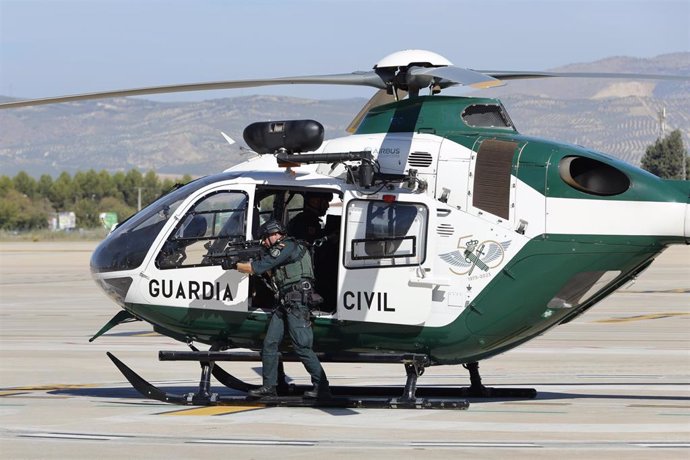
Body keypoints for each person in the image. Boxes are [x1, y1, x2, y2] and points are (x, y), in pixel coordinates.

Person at [235, 218, 330, 399]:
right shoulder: (285, 249)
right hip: (284, 303)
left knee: (302, 346)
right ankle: (269, 387)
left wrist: (235, 265)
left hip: (296, 303)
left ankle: (322, 387)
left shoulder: (286, 246)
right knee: (269, 344)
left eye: (265, 238)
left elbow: (257, 268)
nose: (264, 242)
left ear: (275, 234)